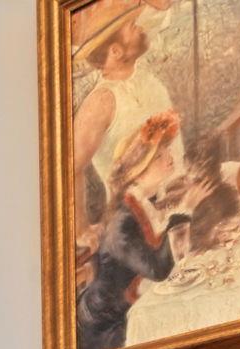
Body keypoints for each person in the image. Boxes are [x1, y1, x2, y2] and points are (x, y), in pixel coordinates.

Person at [77, 113, 187, 349]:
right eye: (159, 156)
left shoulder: (143, 203)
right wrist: (176, 221)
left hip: (129, 308)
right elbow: (158, 270)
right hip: (107, 327)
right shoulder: (122, 221)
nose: (169, 158)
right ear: (138, 171)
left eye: (167, 151)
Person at [72, 1, 179, 238]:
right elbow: (70, 166)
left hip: (178, 205)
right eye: (130, 26)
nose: (139, 27)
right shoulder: (102, 100)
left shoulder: (147, 79)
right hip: (138, 225)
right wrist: (81, 231)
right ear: (115, 51)